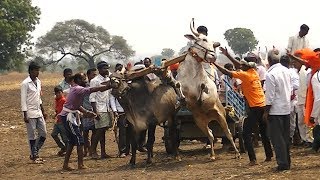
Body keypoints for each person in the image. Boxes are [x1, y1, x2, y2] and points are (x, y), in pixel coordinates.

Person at [213, 47, 273, 166]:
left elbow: (227, 72)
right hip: (262, 104)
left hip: (254, 107)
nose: (240, 66)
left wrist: (214, 63)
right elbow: (239, 64)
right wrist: (228, 54)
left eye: (242, 65)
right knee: (263, 131)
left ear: (246, 67)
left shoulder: (245, 75)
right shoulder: (254, 72)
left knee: (246, 133)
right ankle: (269, 155)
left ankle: (253, 159)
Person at [59, 72, 115, 170]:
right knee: (80, 141)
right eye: (83, 79)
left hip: (68, 116)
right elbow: (95, 89)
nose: (85, 80)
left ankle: (66, 165)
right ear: (78, 81)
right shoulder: (78, 89)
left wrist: (87, 112)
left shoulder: (75, 88)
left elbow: (75, 104)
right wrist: (110, 85)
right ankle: (80, 164)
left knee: (72, 142)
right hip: (68, 117)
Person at [263, 48, 292, 171]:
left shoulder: (270, 74)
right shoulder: (287, 71)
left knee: (277, 138)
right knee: (285, 138)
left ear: (269, 60)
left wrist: (266, 112)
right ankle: (287, 162)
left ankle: (282, 163)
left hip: (275, 110)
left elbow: (270, 95)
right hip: (286, 108)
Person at [21, 61, 47, 163]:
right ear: (31, 71)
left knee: (43, 133)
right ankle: (35, 155)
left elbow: (39, 98)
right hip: (29, 112)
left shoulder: (39, 82)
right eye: (36, 70)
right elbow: (23, 100)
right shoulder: (25, 83)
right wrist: (25, 114)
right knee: (32, 135)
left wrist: (43, 110)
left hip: (38, 111)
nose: (38, 72)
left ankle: (34, 152)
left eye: (38, 70)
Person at [90, 61, 113, 159]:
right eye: (104, 68)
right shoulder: (95, 81)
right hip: (99, 108)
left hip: (107, 108)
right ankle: (93, 151)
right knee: (98, 131)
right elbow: (92, 97)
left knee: (103, 130)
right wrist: (96, 111)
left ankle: (103, 152)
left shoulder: (108, 78)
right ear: (99, 70)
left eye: (107, 68)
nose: (106, 70)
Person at [110, 64, 131, 157]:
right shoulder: (115, 86)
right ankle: (122, 151)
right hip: (120, 112)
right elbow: (112, 99)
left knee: (130, 131)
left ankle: (128, 150)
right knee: (122, 132)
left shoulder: (128, 85)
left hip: (129, 112)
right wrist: (115, 111)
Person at [292, 57, 313, 147]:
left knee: (307, 121)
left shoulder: (305, 71)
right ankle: (304, 138)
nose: (294, 64)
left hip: (305, 99)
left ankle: (310, 140)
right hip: (300, 99)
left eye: (295, 62)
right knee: (300, 121)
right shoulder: (298, 72)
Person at [280, 55, 300, 146]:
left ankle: (290, 137)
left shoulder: (289, 72)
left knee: (291, 121)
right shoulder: (292, 72)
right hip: (287, 99)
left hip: (291, 100)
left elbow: (296, 86)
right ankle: (290, 137)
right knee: (291, 121)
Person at [82, 68, 97, 156]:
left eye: (95, 75)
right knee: (85, 132)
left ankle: (92, 149)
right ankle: (86, 149)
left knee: (95, 132)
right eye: (93, 75)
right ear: (88, 75)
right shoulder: (85, 86)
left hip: (94, 111)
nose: (94, 76)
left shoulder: (96, 85)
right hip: (85, 111)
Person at [51, 86, 68, 156]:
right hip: (58, 121)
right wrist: (55, 114)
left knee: (64, 137)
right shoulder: (57, 100)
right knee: (53, 134)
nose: (58, 94)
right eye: (56, 93)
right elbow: (57, 110)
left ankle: (67, 149)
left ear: (62, 92)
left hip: (63, 121)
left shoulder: (63, 100)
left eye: (59, 93)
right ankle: (63, 147)